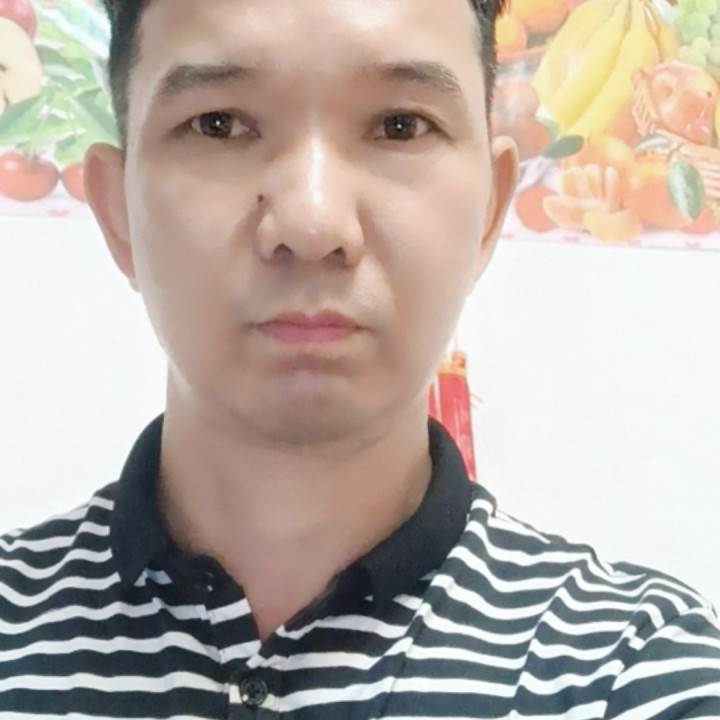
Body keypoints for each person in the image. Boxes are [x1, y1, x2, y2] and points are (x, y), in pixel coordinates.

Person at [1, 0, 719, 717]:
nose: (312, 223)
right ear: (117, 210)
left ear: (489, 209)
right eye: (219, 124)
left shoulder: (638, 671)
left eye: (400, 125)